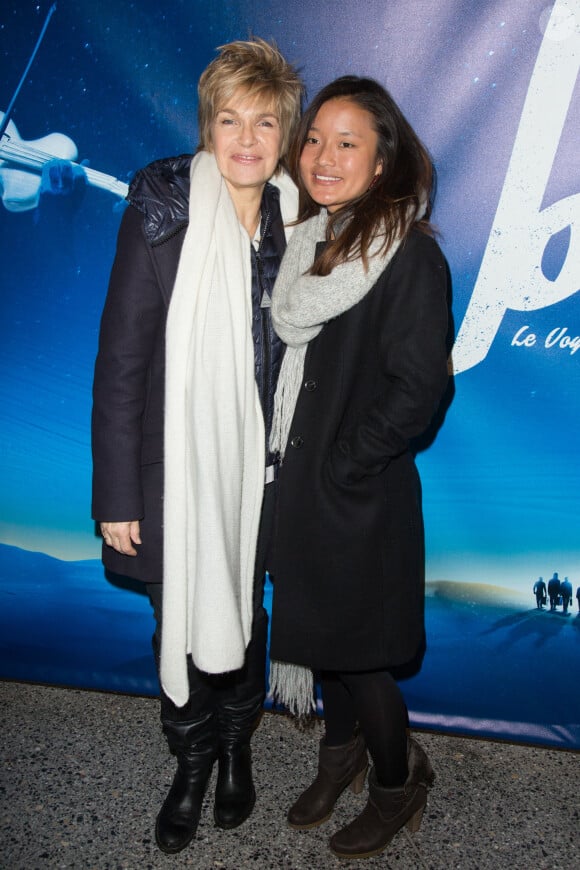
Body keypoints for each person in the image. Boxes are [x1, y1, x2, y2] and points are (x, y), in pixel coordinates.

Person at [91, 38, 303, 855]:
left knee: (247, 620)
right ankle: (191, 763)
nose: (246, 138)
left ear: (284, 133)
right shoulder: (163, 211)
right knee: (173, 623)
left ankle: (237, 747)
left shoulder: (304, 226)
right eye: (228, 119)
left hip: (263, 477)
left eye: (264, 121)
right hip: (166, 474)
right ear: (207, 129)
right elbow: (121, 361)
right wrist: (115, 496)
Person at [267, 76, 450, 860]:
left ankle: (394, 784)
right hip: (299, 484)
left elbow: (422, 390)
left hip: (355, 494)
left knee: (364, 662)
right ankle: (336, 761)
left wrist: (346, 465)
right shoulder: (308, 245)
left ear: (382, 164)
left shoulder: (407, 255)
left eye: (348, 143)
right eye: (314, 138)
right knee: (321, 640)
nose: (323, 155)